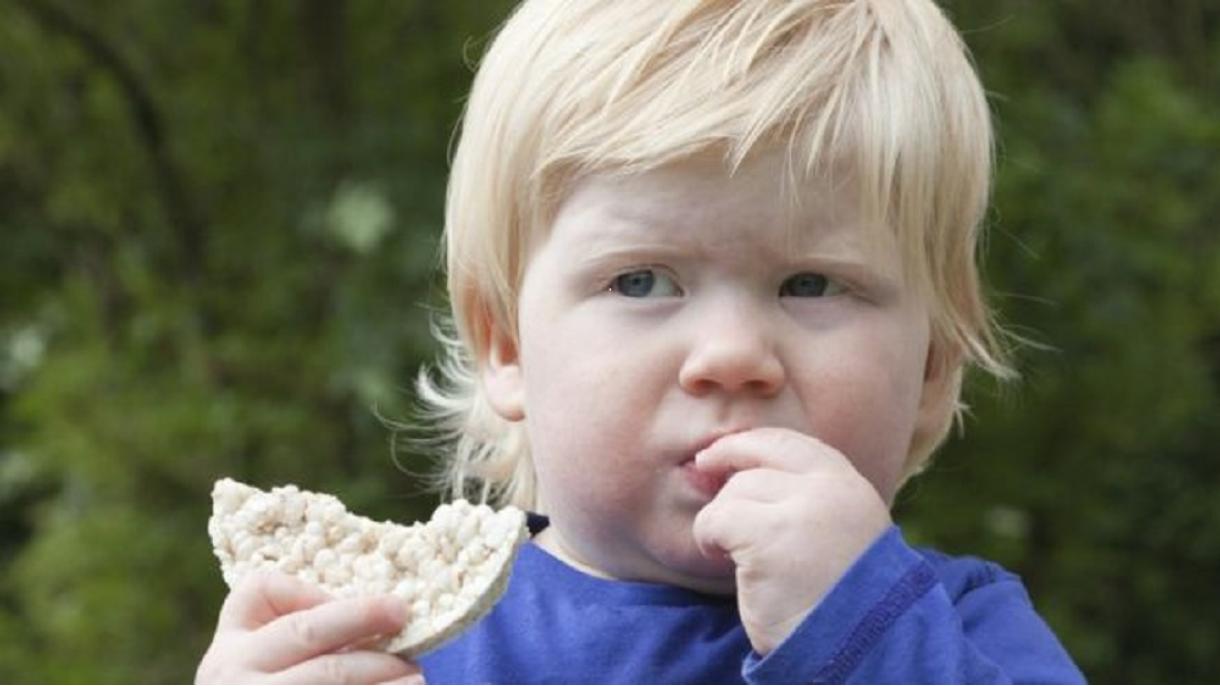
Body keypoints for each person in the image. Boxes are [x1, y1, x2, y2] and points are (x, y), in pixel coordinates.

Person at [196, 0, 1086, 682]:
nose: (734, 355)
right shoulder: (413, 645)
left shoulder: (961, 636)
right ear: (505, 344)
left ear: (933, 366)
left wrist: (861, 633)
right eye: (642, 282)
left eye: (810, 284)